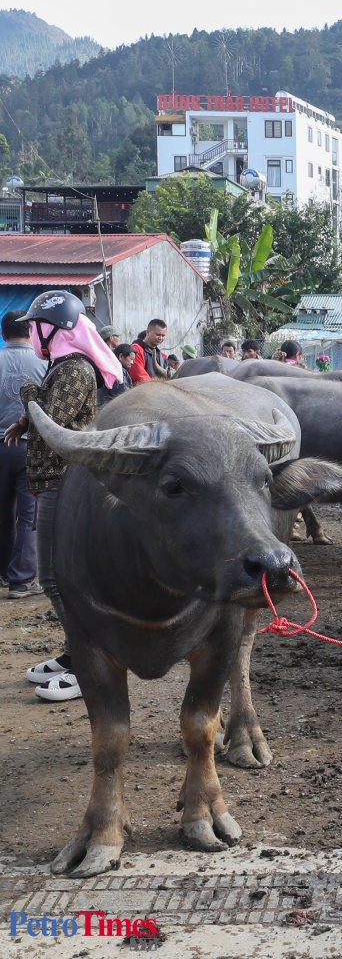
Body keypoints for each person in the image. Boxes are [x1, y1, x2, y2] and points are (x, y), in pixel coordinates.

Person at [9, 290, 126, 702]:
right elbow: (46, 416)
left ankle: (92, 660)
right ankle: (75, 651)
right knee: (57, 577)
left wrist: (27, 396)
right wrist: (23, 421)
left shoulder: (75, 369)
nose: (32, 331)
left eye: (35, 324)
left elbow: (53, 421)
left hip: (64, 480)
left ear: (55, 328)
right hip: (52, 479)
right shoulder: (61, 366)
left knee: (56, 579)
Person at [0, 310, 45, 600]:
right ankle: (21, 580)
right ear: (31, 331)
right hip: (31, 447)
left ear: (3, 333)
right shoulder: (45, 363)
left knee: (3, 513)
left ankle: (5, 572)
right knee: (29, 516)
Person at [128, 319, 170, 383]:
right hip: (141, 391)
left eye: (163, 335)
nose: (160, 338)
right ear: (147, 332)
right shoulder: (136, 349)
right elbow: (140, 377)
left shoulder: (163, 356)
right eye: (158, 334)